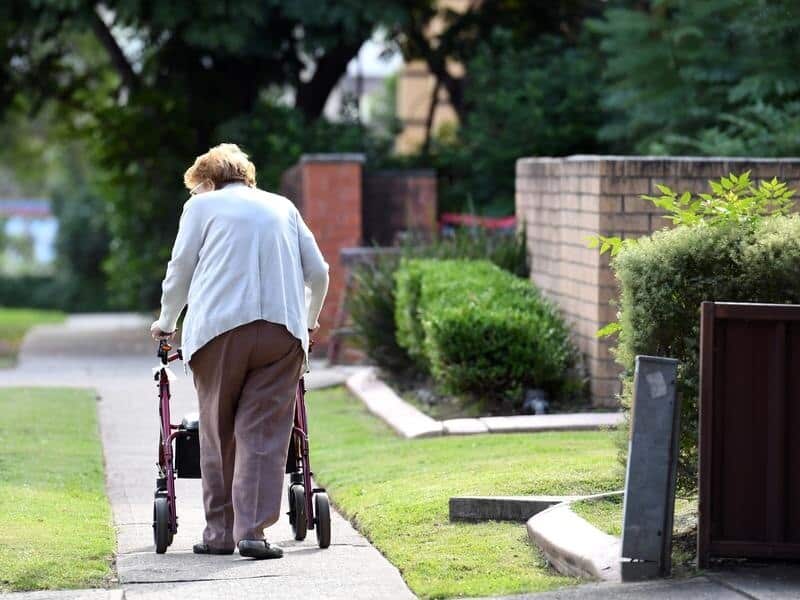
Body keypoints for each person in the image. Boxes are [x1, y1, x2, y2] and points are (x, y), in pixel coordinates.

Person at [150, 143, 329, 560]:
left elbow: (180, 271)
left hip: (218, 331)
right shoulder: (283, 207)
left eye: (199, 187)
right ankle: (253, 533)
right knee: (264, 434)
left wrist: (166, 323)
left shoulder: (201, 208)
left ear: (209, 182)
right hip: (282, 331)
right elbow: (318, 272)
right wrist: (308, 319)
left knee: (218, 430)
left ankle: (219, 533)